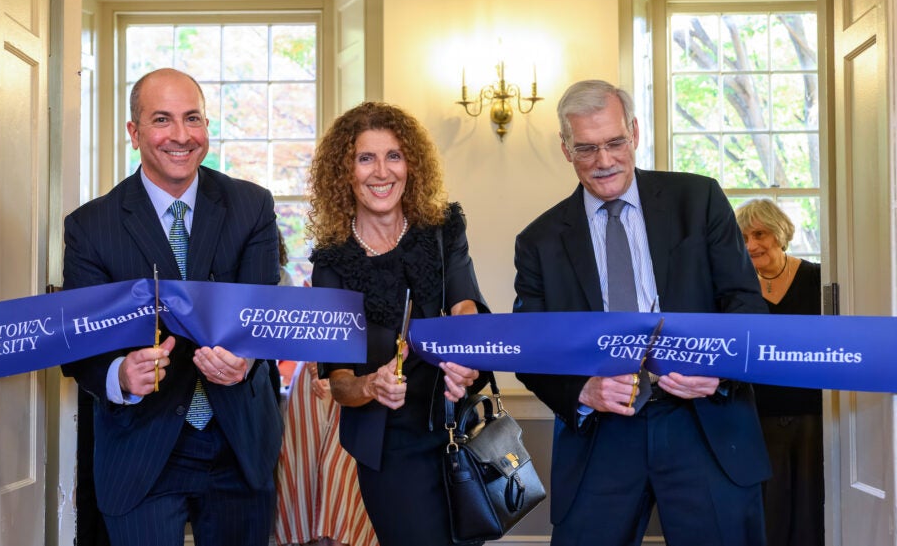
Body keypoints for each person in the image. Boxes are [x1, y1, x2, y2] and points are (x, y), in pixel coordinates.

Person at [514, 79, 771, 546]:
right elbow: (532, 347)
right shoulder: (539, 240)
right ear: (565, 149)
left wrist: (718, 371)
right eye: (587, 148)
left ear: (634, 132)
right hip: (601, 437)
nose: (604, 161)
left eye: (614, 142)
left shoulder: (700, 200)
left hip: (704, 423)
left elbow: (745, 304)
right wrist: (582, 391)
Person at [61, 67, 283, 546]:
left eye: (193, 119)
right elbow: (81, 348)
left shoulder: (252, 207)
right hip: (141, 451)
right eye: (162, 120)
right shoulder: (90, 226)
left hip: (239, 445)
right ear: (134, 133)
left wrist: (244, 359)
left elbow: (263, 313)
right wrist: (120, 375)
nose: (181, 136)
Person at [308, 101, 489, 546]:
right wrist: (371, 385)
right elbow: (339, 382)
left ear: (411, 164)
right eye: (365, 158)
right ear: (344, 172)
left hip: (455, 431)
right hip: (389, 450)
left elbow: (466, 305)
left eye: (393, 155)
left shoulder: (443, 229)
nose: (381, 171)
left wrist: (462, 356)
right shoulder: (331, 264)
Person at [736, 198, 824, 546]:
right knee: (767, 508)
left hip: (811, 410)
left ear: (780, 233)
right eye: (743, 237)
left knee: (810, 505)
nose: (752, 245)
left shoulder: (819, 279)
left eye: (760, 233)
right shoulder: (737, 289)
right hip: (756, 412)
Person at [275, 360, 379, 546]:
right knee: (308, 476)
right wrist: (316, 366)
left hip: (362, 377)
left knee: (338, 473)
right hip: (313, 378)